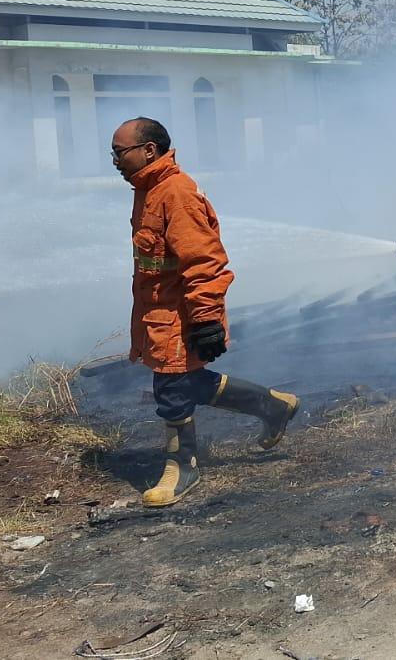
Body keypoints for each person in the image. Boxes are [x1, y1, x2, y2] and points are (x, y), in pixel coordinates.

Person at [111, 117, 299, 507]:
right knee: (188, 384)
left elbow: (205, 262)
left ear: (149, 150)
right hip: (159, 312)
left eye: (120, 151)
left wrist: (206, 318)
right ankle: (274, 405)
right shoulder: (148, 189)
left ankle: (183, 466)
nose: (115, 160)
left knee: (172, 391)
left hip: (181, 314)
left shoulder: (174, 193)